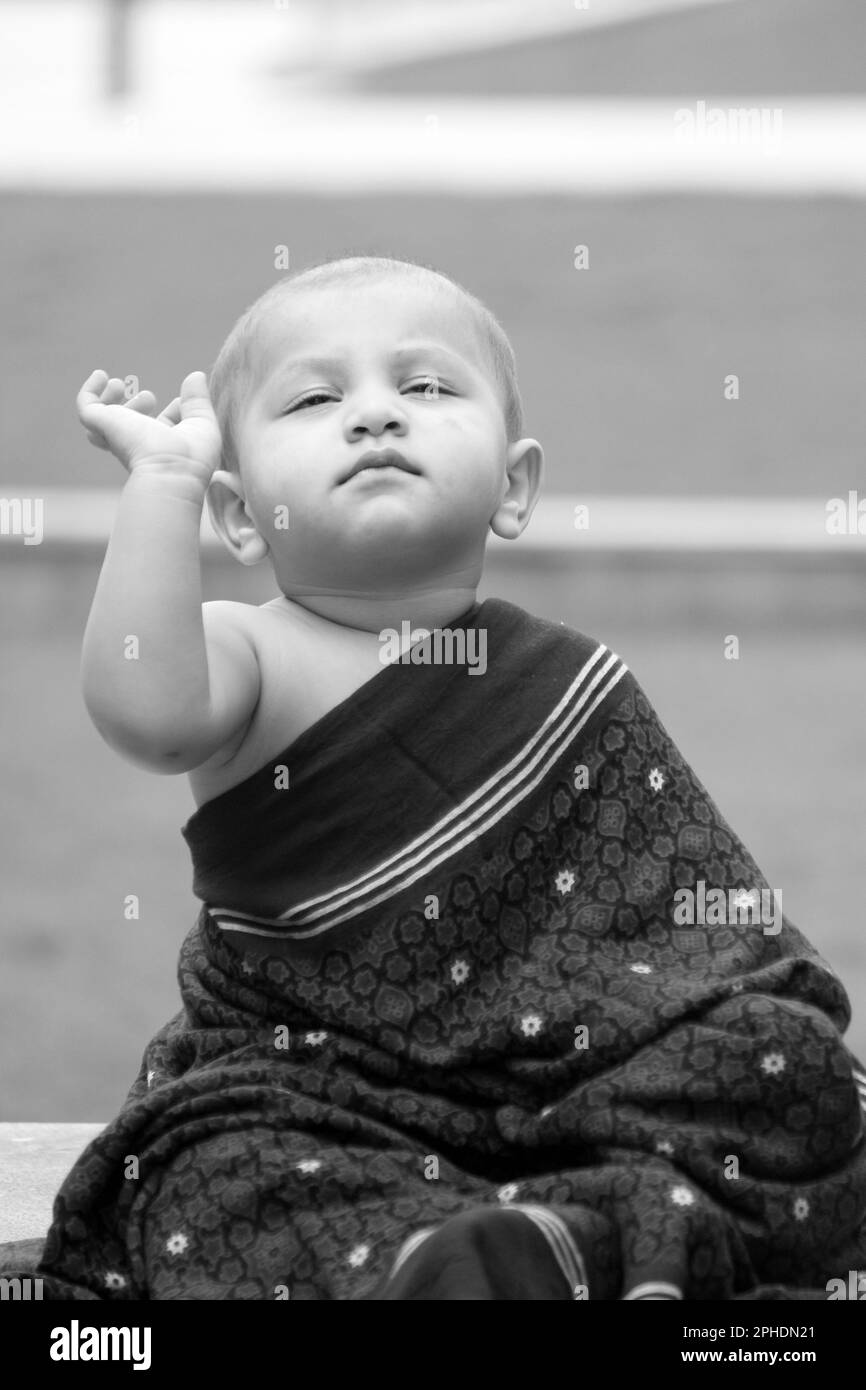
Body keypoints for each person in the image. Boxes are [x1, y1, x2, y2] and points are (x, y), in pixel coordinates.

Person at [30, 256, 866, 1299]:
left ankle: (576, 1244)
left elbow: (698, 949)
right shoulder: (249, 653)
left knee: (780, 1062)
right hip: (326, 1093)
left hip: (582, 1086)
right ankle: (445, 1264)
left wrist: (732, 1033)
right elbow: (146, 715)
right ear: (242, 518)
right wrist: (161, 487)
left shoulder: (565, 681)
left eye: (423, 388)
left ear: (512, 487)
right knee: (213, 1173)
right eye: (315, 397)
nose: (375, 416)